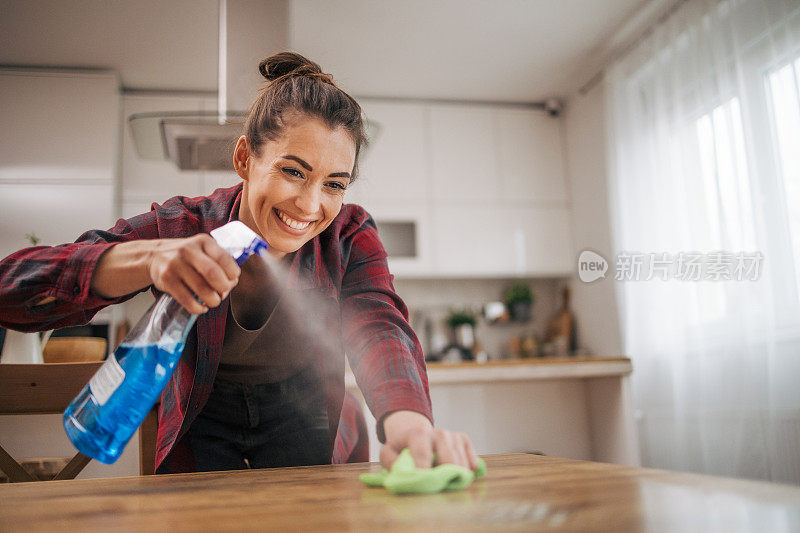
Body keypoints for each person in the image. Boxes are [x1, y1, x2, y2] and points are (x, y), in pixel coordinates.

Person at [0, 52, 479, 474]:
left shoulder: (348, 233)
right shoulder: (183, 225)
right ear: (245, 158)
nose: (310, 206)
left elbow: (379, 324)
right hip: (202, 416)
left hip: (306, 414)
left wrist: (407, 423)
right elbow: (10, 289)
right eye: (293, 171)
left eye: (334, 184)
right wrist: (147, 258)